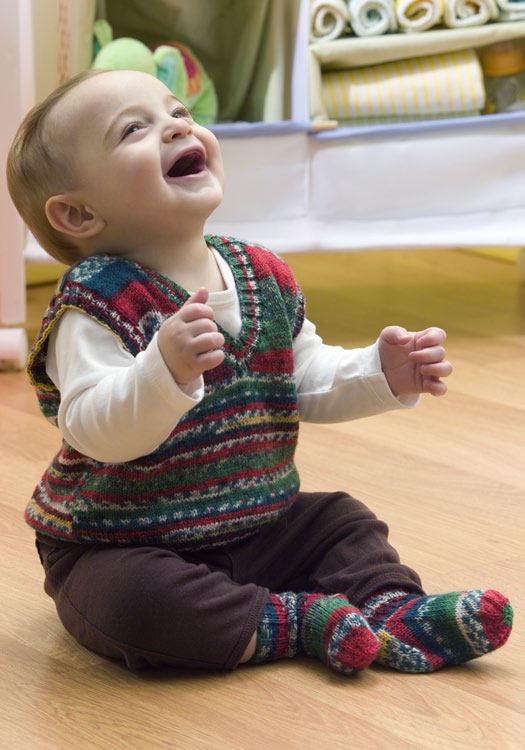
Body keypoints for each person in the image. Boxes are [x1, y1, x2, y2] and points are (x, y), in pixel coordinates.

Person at [7, 69, 512, 675]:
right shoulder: (93, 303)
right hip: (122, 541)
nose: (175, 126)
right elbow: (93, 428)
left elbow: (303, 376)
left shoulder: (260, 273)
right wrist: (160, 373)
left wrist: (380, 372)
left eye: (177, 111)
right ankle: (296, 622)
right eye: (135, 129)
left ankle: (392, 611)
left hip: (256, 521)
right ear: (79, 214)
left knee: (341, 521)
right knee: (137, 604)